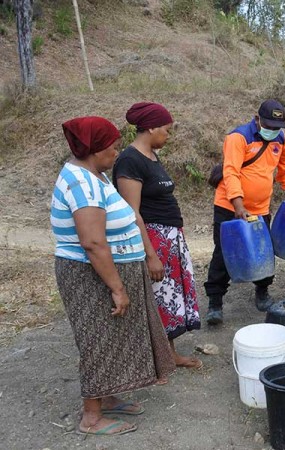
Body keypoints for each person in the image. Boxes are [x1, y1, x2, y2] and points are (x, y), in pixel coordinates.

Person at [51, 117, 175, 436]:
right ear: (95, 148)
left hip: (110, 270)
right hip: (90, 275)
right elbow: (92, 242)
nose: (117, 152)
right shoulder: (82, 183)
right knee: (98, 338)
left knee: (113, 336)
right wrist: (117, 288)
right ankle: (91, 416)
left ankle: (106, 399)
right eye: (113, 146)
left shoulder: (96, 175)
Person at [113, 102, 202, 370]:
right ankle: (156, 359)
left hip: (170, 238)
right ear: (150, 128)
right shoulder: (130, 160)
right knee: (156, 298)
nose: (168, 134)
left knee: (166, 298)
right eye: (166, 129)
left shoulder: (151, 155)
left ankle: (169, 354)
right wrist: (150, 254)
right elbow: (133, 213)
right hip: (153, 240)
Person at [204, 99, 285, 324]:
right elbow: (230, 172)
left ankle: (262, 292)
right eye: (268, 126)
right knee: (223, 252)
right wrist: (238, 205)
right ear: (257, 119)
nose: (272, 131)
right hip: (229, 207)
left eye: (276, 127)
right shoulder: (238, 138)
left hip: (260, 209)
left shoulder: (280, 138)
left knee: (263, 251)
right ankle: (215, 302)